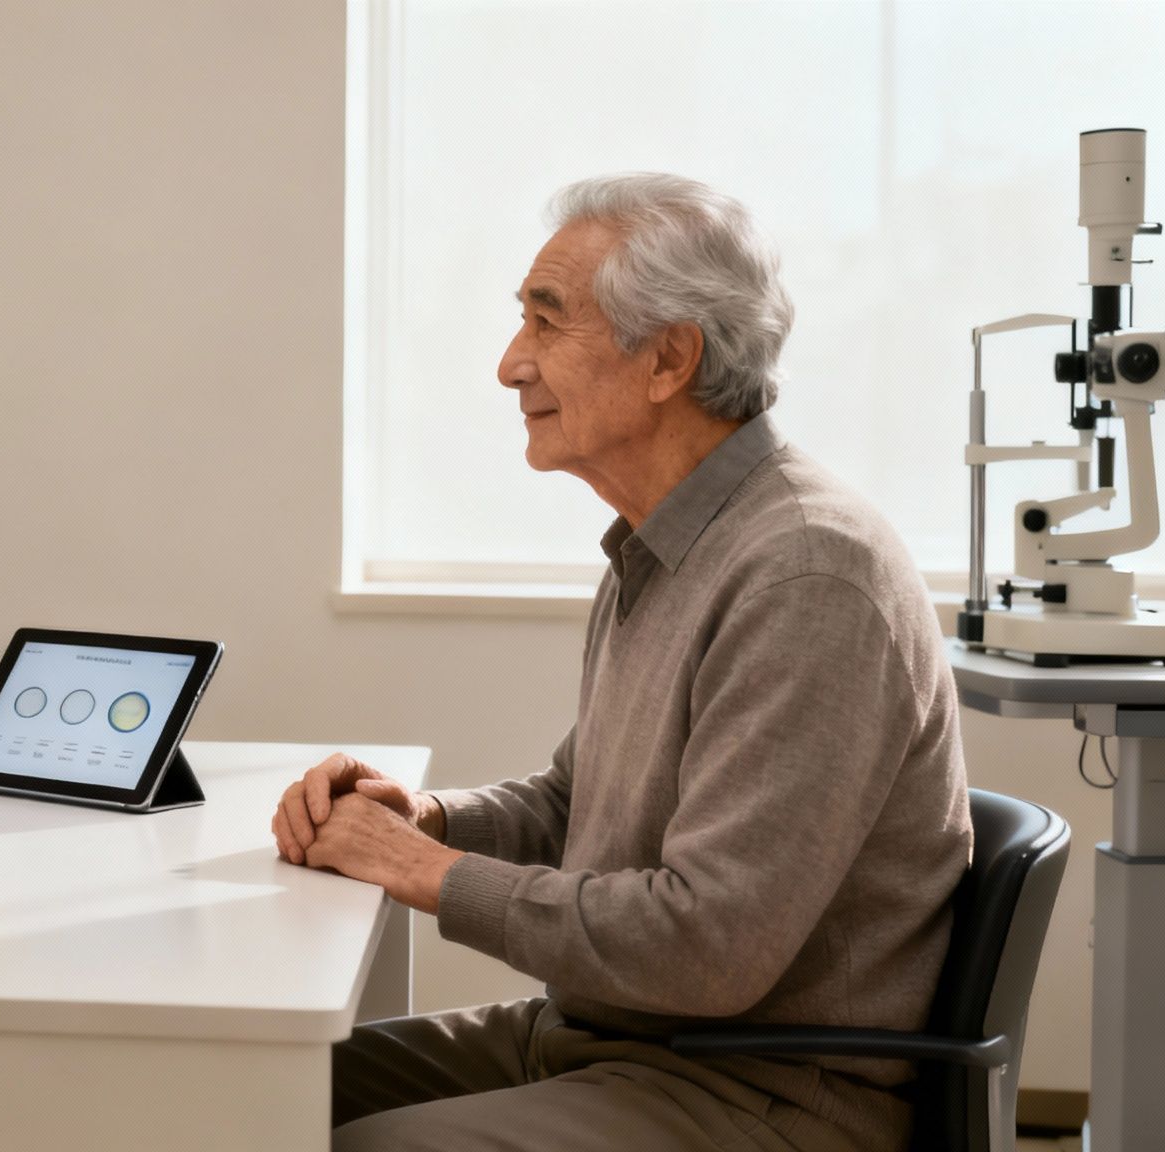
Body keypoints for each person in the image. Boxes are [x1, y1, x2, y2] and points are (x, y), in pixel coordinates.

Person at [273, 174, 972, 1152]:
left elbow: (707, 946)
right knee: (237, 1091)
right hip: (608, 1041)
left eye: (546, 321)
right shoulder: (664, 543)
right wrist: (424, 818)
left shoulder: (807, 573)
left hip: (759, 1091)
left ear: (669, 358)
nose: (509, 364)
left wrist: (424, 871)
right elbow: (577, 804)